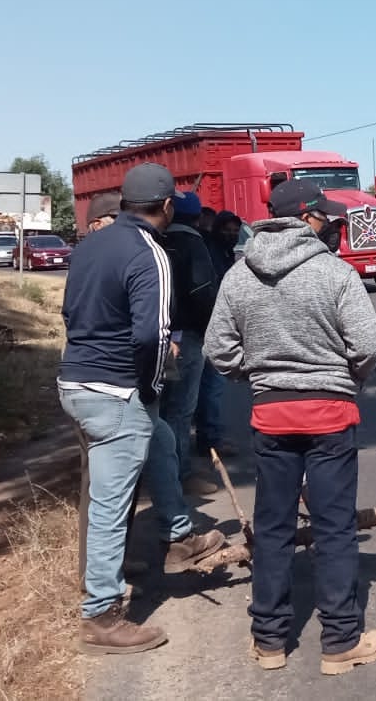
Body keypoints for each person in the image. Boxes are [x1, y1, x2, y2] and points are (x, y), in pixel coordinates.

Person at [206, 178, 376, 675]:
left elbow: (218, 351)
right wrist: (346, 377)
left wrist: (261, 377)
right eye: (323, 215)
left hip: (271, 415)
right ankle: (340, 644)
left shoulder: (239, 276)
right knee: (333, 530)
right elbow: (368, 344)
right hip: (330, 414)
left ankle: (269, 642)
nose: (329, 223)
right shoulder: (335, 274)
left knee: (271, 529)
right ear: (306, 218)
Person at [59, 163, 226, 655]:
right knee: (112, 504)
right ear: (167, 206)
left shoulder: (89, 248)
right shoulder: (149, 251)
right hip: (115, 389)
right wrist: (151, 386)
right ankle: (101, 615)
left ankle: (178, 534)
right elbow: (151, 333)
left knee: (162, 439)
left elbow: (71, 312)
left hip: (77, 380)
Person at [150, 190, 219, 495]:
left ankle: (156, 475)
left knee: (159, 407)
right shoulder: (192, 243)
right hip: (187, 337)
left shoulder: (153, 241)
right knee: (179, 410)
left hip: (155, 335)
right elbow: (204, 291)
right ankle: (179, 475)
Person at [195, 210, 244, 457]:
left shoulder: (222, 252)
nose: (232, 235)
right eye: (228, 230)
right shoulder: (212, 252)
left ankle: (207, 436)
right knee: (211, 387)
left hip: (210, 327)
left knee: (206, 388)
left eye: (236, 232)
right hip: (207, 327)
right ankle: (210, 439)